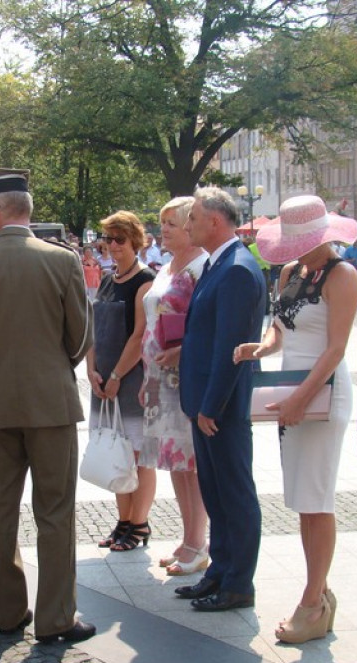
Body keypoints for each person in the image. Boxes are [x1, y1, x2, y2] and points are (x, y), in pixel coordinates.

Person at [0, 169, 95, 644]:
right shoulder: (61, 260)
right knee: (55, 511)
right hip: (52, 401)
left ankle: (9, 612)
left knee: (1, 508)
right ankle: (56, 616)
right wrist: (54, 367)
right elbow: (79, 336)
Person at [235, 195, 357, 643]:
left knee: (317, 499)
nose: (294, 249)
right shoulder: (291, 273)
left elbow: (336, 349)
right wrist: (262, 348)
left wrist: (302, 399)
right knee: (304, 500)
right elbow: (280, 326)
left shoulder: (342, 276)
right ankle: (318, 593)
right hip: (295, 392)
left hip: (322, 395)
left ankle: (312, 603)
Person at [175, 187, 267, 612]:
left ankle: (238, 583)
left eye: (192, 216)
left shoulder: (236, 269)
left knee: (233, 493)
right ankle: (219, 572)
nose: (187, 224)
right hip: (206, 405)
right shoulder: (218, 264)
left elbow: (232, 347)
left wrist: (211, 405)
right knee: (215, 491)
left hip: (222, 409)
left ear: (215, 221)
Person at [138, 197, 209, 575]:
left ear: (190, 226)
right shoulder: (168, 266)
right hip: (160, 378)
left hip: (184, 376)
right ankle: (189, 536)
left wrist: (182, 351)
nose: (163, 229)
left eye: (171, 222)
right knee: (176, 464)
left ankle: (199, 542)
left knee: (191, 463)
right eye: (161, 222)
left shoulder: (201, 267)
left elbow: (204, 325)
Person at [87, 211, 157, 552]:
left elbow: (140, 335)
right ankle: (124, 520)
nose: (113, 246)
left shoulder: (144, 280)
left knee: (138, 454)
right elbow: (94, 328)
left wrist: (117, 375)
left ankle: (139, 522)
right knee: (115, 449)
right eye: (108, 239)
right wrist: (91, 369)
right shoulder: (106, 278)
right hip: (103, 379)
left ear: (135, 241)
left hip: (130, 380)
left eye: (120, 240)